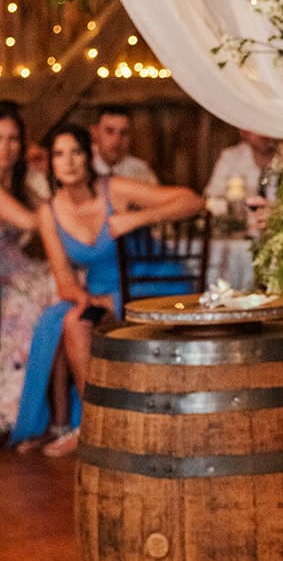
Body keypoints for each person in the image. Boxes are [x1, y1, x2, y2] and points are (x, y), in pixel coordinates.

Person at [8, 122, 202, 456]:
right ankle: (67, 421)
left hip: (147, 284)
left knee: (73, 322)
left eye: (76, 152)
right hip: (102, 293)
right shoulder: (49, 212)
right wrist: (84, 298)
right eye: (59, 154)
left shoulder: (115, 190)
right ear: (51, 163)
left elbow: (191, 201)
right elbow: (64, 280)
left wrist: (136, 219)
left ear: (88, 157)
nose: (68, 162)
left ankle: (91, 427)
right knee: (56, 317)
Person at [0, 101, 56, 437]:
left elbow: (52, 211)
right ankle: (13, 414)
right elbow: (36, 221)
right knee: (34, 298)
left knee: (59, 285)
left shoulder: (21, 180)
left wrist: (46, 175)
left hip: (17, 269)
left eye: (13, 139)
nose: (6, 148)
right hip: (6, 273)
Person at [92, 105, 158, 186]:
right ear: (95, 133)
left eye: (124, 133)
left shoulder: (141, 173)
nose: (117, 140)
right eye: (109, 131)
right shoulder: (83, 169)